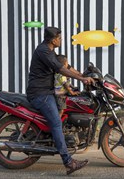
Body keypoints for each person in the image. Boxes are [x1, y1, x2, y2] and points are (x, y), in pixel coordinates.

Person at [26, 27, 94, 175]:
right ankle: (68, 162)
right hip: (40, 93)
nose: (61, 40)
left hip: (46, 92)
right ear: (53, 39)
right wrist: (81, 79)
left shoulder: (49, 51)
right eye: (60, 38)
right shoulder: (43, 51)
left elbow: (65, 66)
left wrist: (83, 75)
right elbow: (61, 69)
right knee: (56, 123)